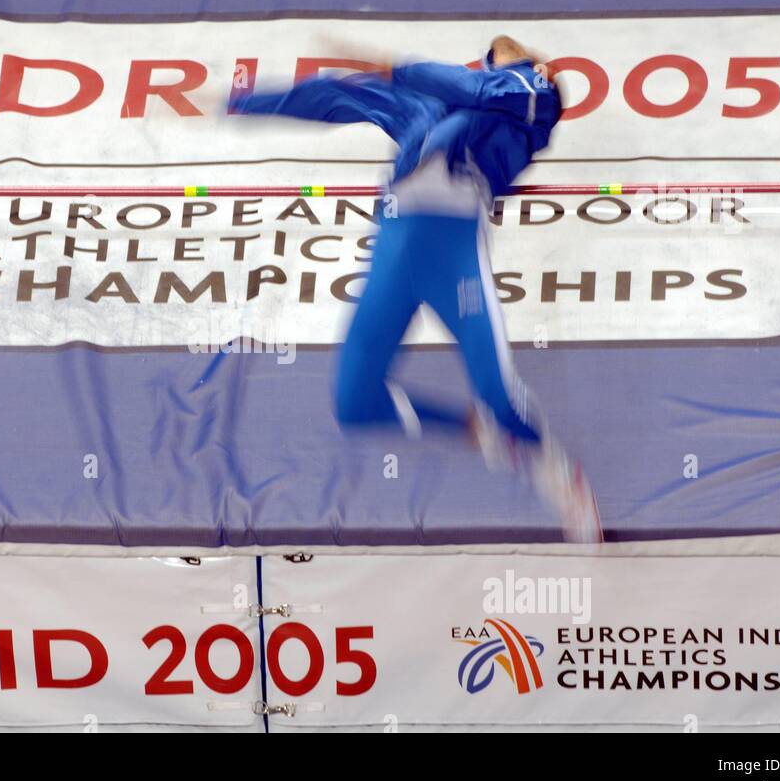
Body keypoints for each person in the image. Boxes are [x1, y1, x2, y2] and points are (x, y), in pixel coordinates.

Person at [230, 35, 603, 543]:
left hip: (452, 249)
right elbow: (338, 96)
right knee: (355, 402)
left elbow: (472, 84)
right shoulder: (434, 103)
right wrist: (241, 102)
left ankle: (555, 471)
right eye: (492, 54)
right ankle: (475, 432)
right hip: (393, 243)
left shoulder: (531, 93)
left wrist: (398, 67)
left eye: (507, 54)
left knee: (497, 392)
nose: (499, 49)